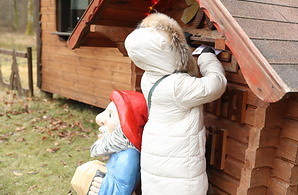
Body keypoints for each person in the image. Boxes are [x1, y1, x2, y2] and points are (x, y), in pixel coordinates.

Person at [124, 12, 227, 195]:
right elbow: (215, 85)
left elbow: (167, 63)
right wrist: (206, 57)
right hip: (178, 161)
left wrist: (182, 47)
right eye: (175, 46)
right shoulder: (177, 86)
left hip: (157, 148)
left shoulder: (149, 75)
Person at [71, 90, 148, 195]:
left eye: (110, 115)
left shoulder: (128, 157)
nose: (99, 119)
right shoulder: (119, 152)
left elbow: (122, 190)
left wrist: (98, 182)